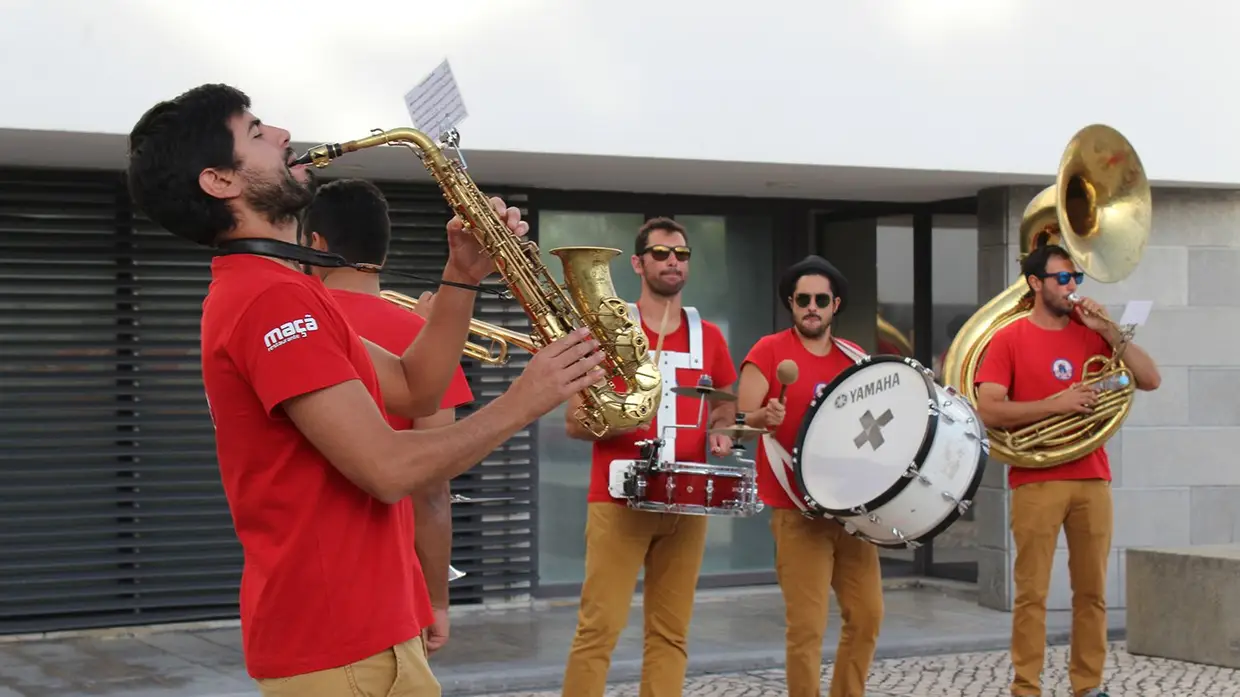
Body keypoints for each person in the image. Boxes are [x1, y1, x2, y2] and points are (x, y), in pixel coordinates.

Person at [125, 83, 606, 696]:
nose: (281, 136)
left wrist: (460, 276)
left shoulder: (285, 289)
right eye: (256, 132)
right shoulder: (269, 299)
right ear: (220, 181)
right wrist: (525, 399)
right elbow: (385, 467)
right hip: (339, 646)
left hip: (361, 636)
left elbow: (414, 389)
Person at [974, 242, 1161, 697]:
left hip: (1092, 477)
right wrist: (1054, 404)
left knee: (1092, 594)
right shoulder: (1010, 338)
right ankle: (1026, 687)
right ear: (1036, 283)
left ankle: (1088, 686)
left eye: (1076, 277)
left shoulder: (1092, 332)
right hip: (1036, 480)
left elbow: (1150, 379)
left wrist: (1111, 332)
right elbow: (989, 410)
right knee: (1032, 595)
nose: (1072, 286)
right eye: (1062, 278)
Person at [560, 217, 737, 697]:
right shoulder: (607, 329)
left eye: (681, 254)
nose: (673, 261)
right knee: (599, 630)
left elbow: (724, 406)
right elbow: (574, 421)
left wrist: (720, 432)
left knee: (671, 634)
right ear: (638, 263)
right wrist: (622, 419)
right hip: (619, 500)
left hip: (686, 503)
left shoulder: (710, 338)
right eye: (660, 254)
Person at [302, 177, 475, 656]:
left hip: (302, 576)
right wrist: (437, 599)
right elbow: (434, 489)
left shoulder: (292, 321)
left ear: (314, 244)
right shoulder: (426, 339)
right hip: (392, 591)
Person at [736, 254, 884, 697]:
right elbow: (738, 423)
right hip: (797, 511)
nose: (812, 306)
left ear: (835, 304)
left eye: (822, 299)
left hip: (850, 514)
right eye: (803, 299)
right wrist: (765, 415)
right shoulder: (769, 350)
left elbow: (877, 427)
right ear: (791, 303)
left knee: (868, 617)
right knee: (807, 627)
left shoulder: (855, 358)